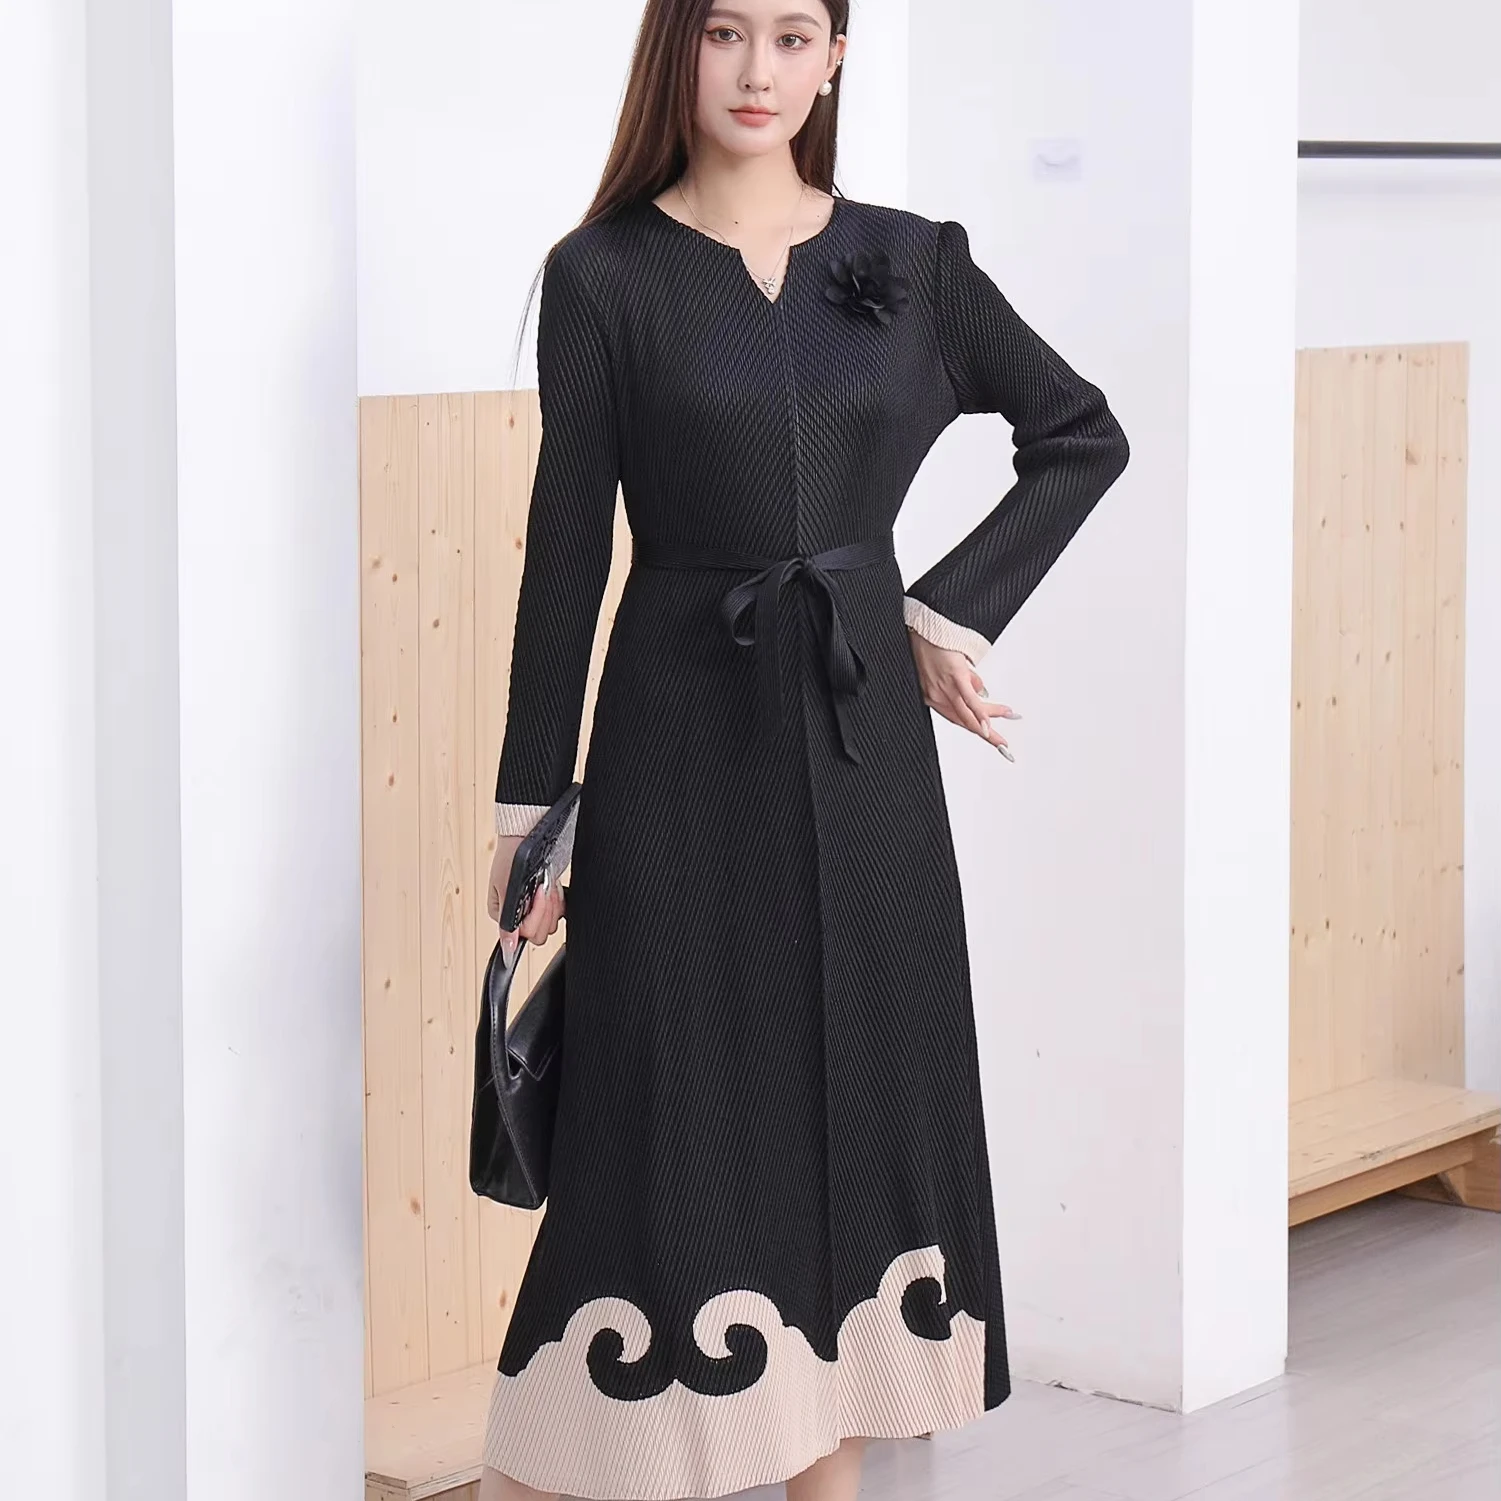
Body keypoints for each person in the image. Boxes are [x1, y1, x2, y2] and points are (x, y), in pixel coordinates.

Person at [478, 1, 1129, 1497]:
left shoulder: (912, 262)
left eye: (792, 35)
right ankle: (555, 1454)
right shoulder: (603, 275)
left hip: (859, 750)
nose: (758, 71)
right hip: (672, 744)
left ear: (838, 56)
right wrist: (533, 811)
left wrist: (938, 612)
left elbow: (1080, 435)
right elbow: (567, 551)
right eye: (725, 33)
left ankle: (823, 1468)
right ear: (679, 48)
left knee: (852, 1103)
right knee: (662, 1119)